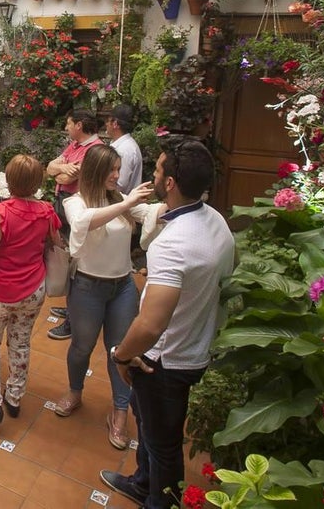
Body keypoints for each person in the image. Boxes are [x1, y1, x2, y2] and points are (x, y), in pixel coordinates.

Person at [100, 137, 235, 509]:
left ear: (170, 183)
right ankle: (142, 483)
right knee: (149, 424)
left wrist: (121, 355)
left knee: (163, 444)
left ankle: (160, 501)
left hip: (163, 359)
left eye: (158, 169)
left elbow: (152, 323)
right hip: (193, 345)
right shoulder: (215, 220)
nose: (154, 174)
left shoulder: (173, 243)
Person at [54, 146, 164, 451]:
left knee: (122, 352)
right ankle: (75, 392)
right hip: (88, 287)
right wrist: (126, 202)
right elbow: (83, 222)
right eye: (112, 170)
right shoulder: (75, 202)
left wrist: (179, 205)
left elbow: (151, 212)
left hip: (123, 287)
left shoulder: (121, 200)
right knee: (81, 346)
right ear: (95, 172)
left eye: (118, 169)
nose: (118, 175)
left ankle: (118, 413)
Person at [0, 155, 61, 425]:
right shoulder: (46, 211)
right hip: (33, 288)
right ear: (38, 182)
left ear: (8, 180)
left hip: (0, 289)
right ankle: (15, 396)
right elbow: (56, 244)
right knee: (20, 340)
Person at [44, 109, 104, 340]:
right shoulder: (75, 146)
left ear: (79, 125)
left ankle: (73, 319)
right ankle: (70, 308)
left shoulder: (94, 150)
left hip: (78, 209)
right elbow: (51, 169)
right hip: (65, 205)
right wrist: (60, 168)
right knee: (67, 258)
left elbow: (66, 178)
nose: (66, 128)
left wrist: (60, 171)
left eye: (69, 124)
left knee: (77, 263)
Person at [107, 104, 142, 194]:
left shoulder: (125, 150)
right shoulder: (122, 145)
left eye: (108, 121)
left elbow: (120, 185)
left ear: (115, 124)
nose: (106, 124)